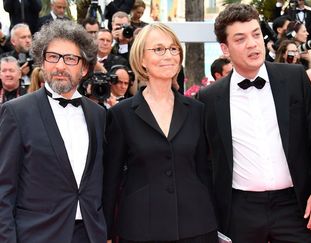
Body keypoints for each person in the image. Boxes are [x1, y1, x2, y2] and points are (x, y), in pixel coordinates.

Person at [197, 3, 311, 243]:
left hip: (295, 206)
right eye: (240, 39)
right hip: (239, 211)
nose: (252, 43)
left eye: (256, 34)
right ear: (225, 49)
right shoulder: (210, 98)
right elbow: (207, 160)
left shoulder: (294, 78)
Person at [103, 23, 218, 243]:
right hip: (141, 228)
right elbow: (111, 179)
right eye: (158, 49)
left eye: (173, 49)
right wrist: (107, 232)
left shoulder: (197, 110)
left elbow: (205, 171)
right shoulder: (121, 114)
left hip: (197, 226)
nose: (168, 55)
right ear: (142, 59)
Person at [0, 20, 106, 243]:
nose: (60, 66)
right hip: (37, 235)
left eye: (70, 59)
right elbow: (3, 190)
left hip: (89, 234)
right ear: (42, 62)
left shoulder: (98, 115)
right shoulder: (16, 113)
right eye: (53, 57)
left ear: (84, 68)